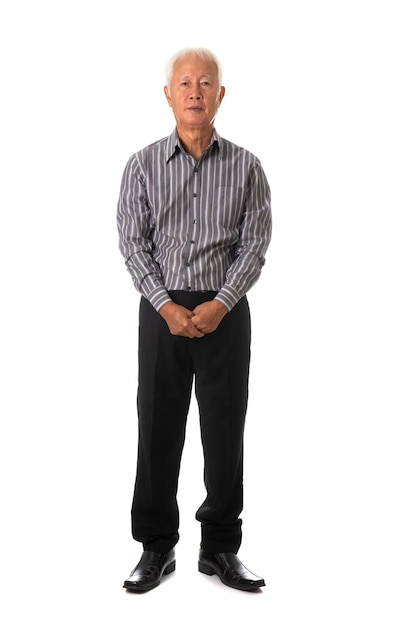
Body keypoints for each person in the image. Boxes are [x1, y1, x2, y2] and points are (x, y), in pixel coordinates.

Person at [117, 47, 272, 592]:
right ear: (168, 94)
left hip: (224, 313)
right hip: (161, 313)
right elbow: (133, 244)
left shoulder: (247, 166)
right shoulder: (141, 165)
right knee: (157, 428)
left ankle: (220, 551)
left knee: (224, 433)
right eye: (184, 82)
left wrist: (220, 303)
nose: (195, 91)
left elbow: (254, 245)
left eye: (206, 82)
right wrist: (165, 305)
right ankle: (156, 547)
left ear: (220, 95)